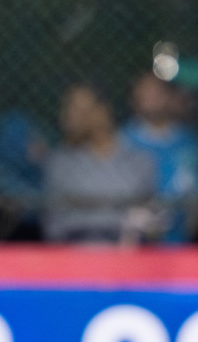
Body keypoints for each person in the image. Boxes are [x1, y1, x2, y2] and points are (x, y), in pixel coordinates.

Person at [44, 81, 162, 244]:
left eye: (79, 110)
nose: (68, 117)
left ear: (102, 112)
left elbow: (152, 224)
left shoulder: (140, 161)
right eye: (68, 109)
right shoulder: (60, 162)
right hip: (76, 256)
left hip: (129, 254)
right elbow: (55, 226)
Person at [121, 72, 196, 241]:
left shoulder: (188, 144)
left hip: (182, 242)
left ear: (170, 97)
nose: (151, 98)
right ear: (134, 98)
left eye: (157, 92)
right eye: (144, 92)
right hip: (134, 242)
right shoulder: (122, 141)